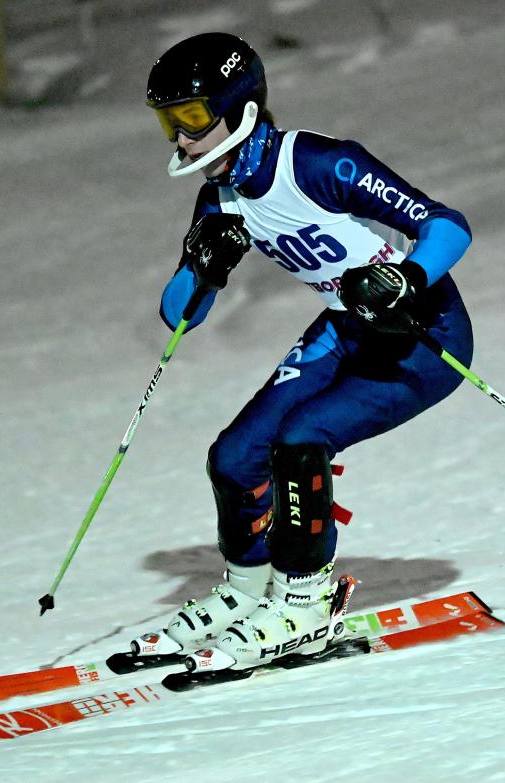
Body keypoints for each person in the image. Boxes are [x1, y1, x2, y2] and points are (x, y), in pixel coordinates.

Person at [143, 32, 473, 667]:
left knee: (300, 439)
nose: (179, 138)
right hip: (345, 327)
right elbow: (181, 315)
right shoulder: (219, 196)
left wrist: (405, 277)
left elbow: (446, 224)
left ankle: (306, 600)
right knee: (234, 456)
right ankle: (247, 590)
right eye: (168, 120)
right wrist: (203, 266)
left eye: (190, 117)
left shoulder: (322, 164)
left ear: (238, 108)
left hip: (422, 336)